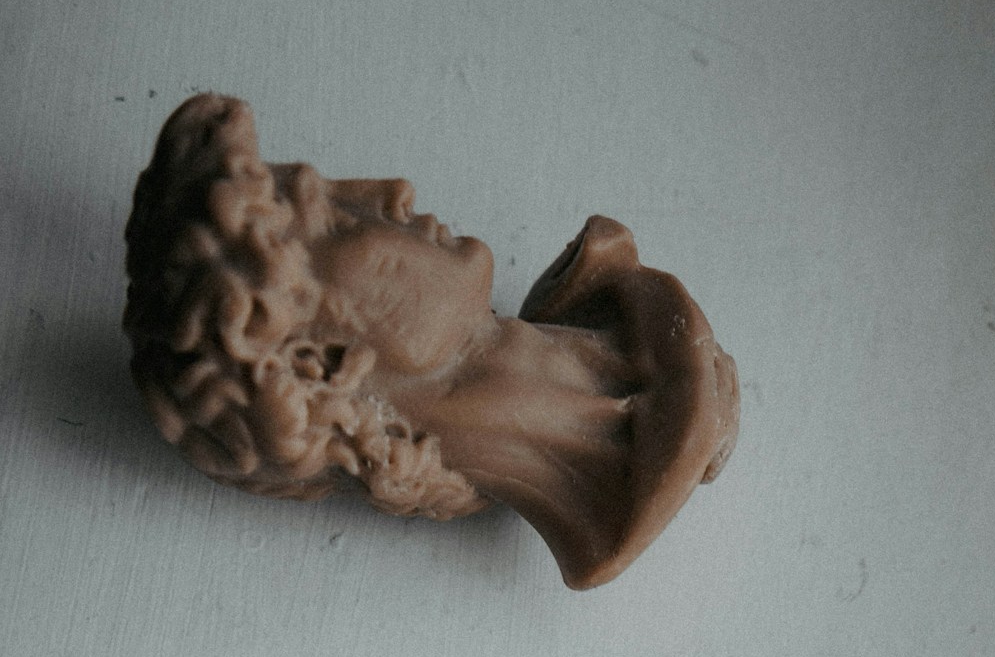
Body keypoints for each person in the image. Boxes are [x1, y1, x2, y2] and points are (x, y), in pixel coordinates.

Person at [123, 93, 739, 589]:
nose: (391, 191)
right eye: (337, 218)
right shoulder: (612, 496)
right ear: (322, 364)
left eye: (339, 189)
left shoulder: (613, 283)